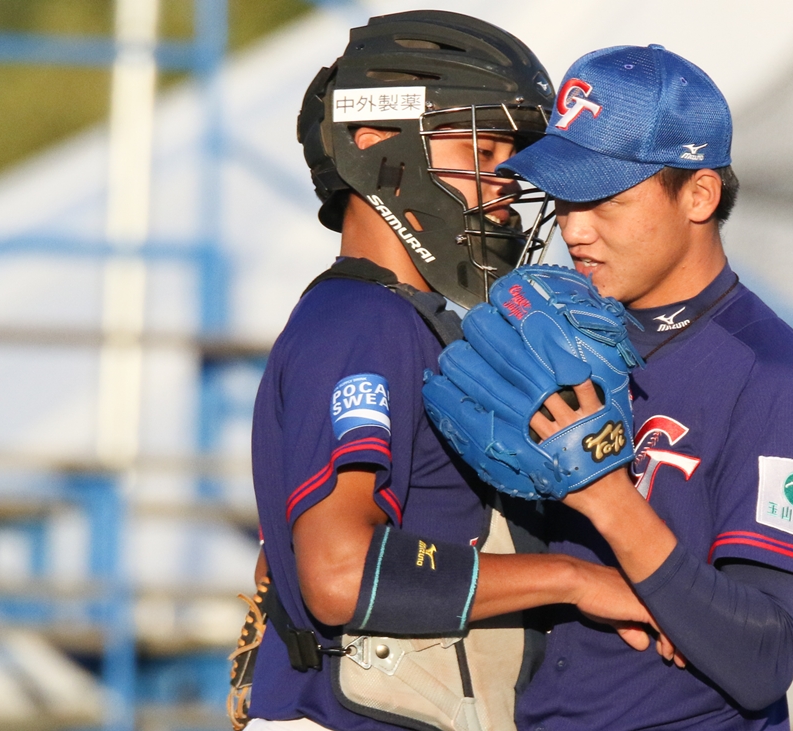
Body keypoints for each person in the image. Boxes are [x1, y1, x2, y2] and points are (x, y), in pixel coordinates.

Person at [242, 13, 657, 731]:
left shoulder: (405, 318)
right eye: (485, 149)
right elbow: (340, 573)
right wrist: (575, 580)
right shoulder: (360, 322)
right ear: (375, 144)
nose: (506, 182)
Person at [493, 44, 793, 729]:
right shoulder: (557, 344)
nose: (575, 228)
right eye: (565, 199)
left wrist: (604, 495)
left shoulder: (774, 380)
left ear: (699, 194)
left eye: (605, 199)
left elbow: (762, 658)